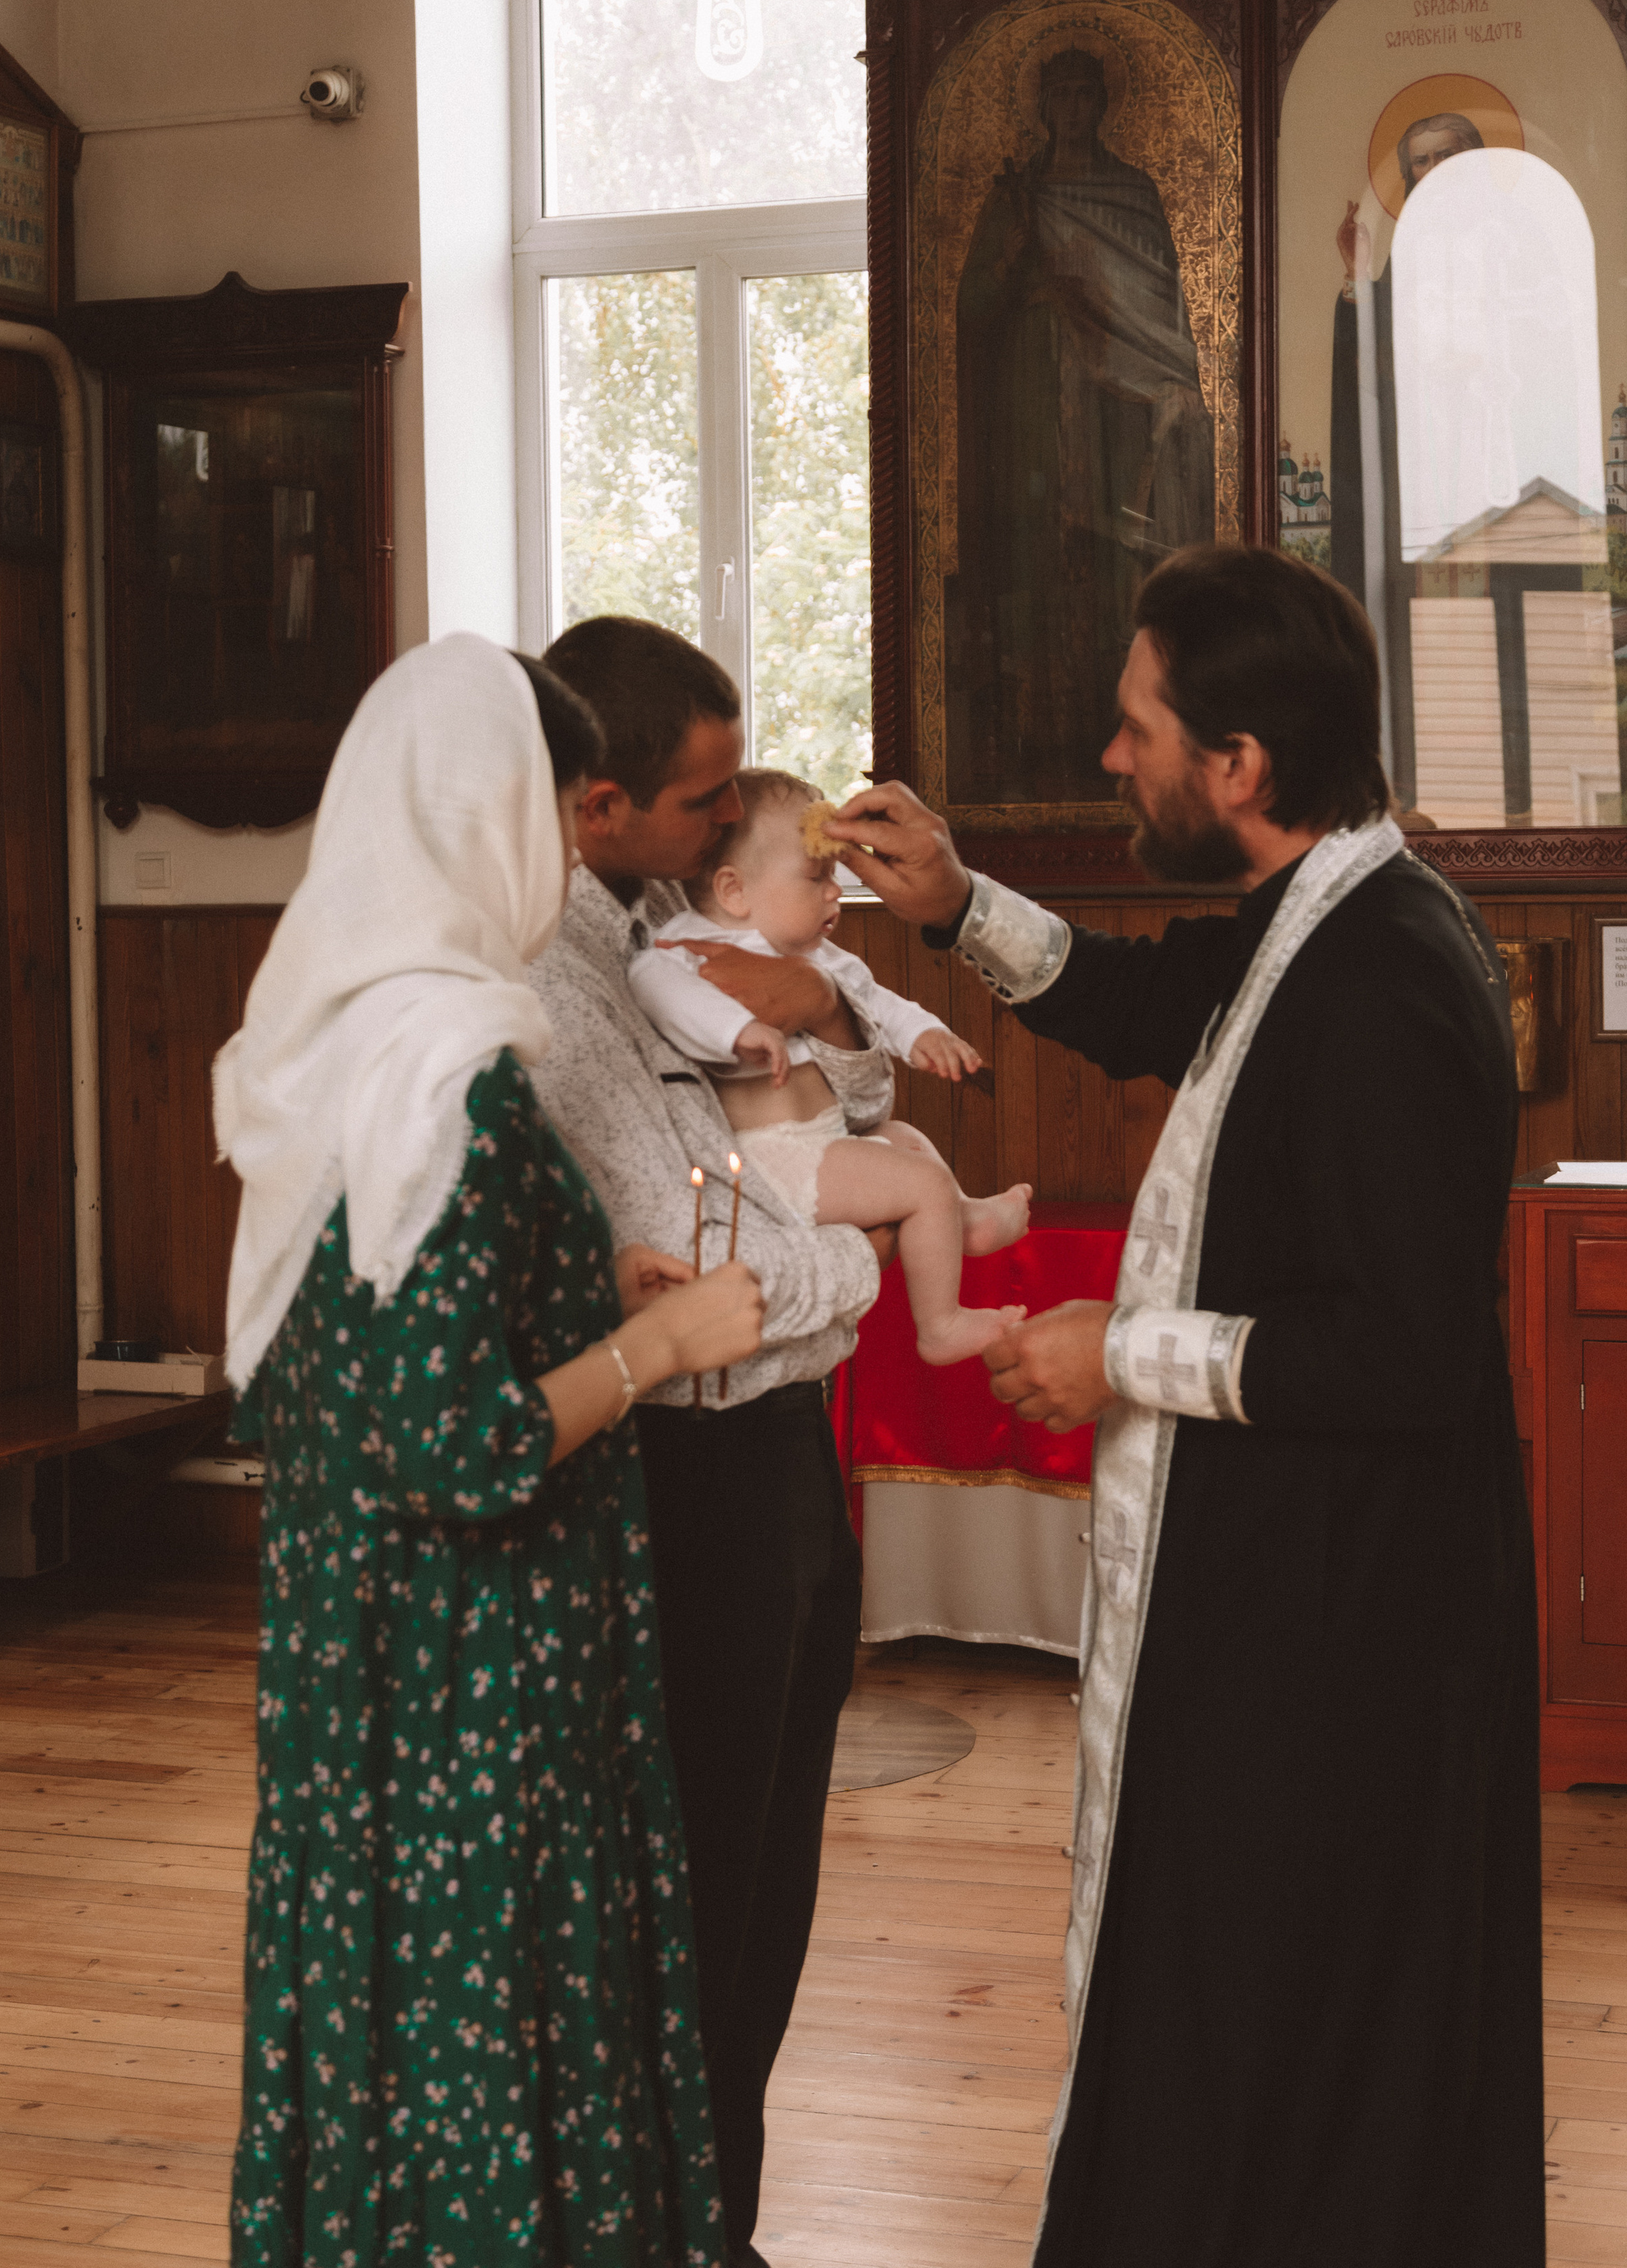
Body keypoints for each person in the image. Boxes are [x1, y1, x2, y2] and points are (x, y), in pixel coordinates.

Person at [830, 545, 1543, 2267]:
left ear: (1237, 766)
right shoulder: (1321, 916)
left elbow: (1401, 1353)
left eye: (1137, 728)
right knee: (1239, 2009)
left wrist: (1119, 1350)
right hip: (1298, 1599)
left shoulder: (1379, 981)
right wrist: (952, 903)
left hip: (1341, 1628)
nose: (1110, 756)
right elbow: (1158, 1002)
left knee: (1283, 2029)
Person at [217, 632, 763, 2267]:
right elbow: (449, 1444)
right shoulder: (449, 1068)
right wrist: (651, 1344)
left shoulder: (337, 1034)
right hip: (474, 1676)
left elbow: (365, 1328)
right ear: (495, 814)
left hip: (357, 1658)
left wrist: (573, 1279)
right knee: (483, 2021)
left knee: (385, 2012)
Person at [525, 619, 888, 2268]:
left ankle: (716, 2206)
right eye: (699, 799)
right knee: (698, 1876)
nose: (729, 820)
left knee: (773, 1861)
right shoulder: (549, 983)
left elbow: (850, 1117)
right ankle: (675, 2217)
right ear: (596, 801)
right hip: (683, 1476)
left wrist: (817, 1020)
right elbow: (698, 1253)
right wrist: (861, 1261)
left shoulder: (672, 928)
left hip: (784, 1453)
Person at [628, 767, 1033, 1366]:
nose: (834, 893)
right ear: (735, 890)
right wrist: (735, 1032)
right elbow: (656, 987)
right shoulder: (683, 944)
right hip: (774, 1157)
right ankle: (940, 1325)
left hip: (824, 1141)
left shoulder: (817, 957)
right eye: (816, 878)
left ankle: (965, 1217)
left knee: (906, 1139)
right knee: (920, 1186)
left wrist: (926, 1034)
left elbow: (878, 1002)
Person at [952, 41, 1216, 804]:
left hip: (1119, 404)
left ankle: (1124, 730)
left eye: (1084, 94)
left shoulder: (1132, 191)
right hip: (1033, 395)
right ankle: (1040, 740)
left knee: (1112, 564)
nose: (1072, 109)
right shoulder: (1017, 194)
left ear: (1103, 104)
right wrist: (1015, 263)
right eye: (1059, 95)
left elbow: (1161, 308)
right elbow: (971, 307)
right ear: (1042, 106)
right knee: (1041, 560)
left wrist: (1165, 377)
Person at [1331, 108, 1487, 803]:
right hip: (1419, 468)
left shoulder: (1504, 245)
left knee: (1481, 609)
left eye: (1446, 156)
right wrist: (1358, 276)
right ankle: (1415, 777)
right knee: (1413, 608)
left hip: (1485, 458)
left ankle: (1486, 770)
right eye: (1419, 162)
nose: (1431, 172)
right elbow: (1373, 363)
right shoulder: (1410, 251)